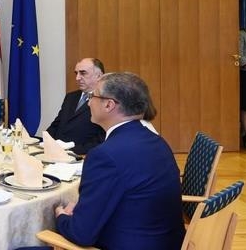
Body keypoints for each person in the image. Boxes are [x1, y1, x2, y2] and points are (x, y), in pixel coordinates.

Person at [53, 72, 185, 249]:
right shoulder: (157, 141)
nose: (89, 102)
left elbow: (81, 234)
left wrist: (60, 216)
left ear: (108, 105)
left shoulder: (105, 156)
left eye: (92, 97)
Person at [46, 58, 106, 154]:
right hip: (56, 153)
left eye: (83, 73)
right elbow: (57, 124)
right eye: (76, 73)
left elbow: (101, 138)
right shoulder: (71, 97)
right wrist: (46, 141)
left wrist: (71, 151)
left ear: (99, 76)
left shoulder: (106, 100)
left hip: (81, 155)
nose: (77, 78)